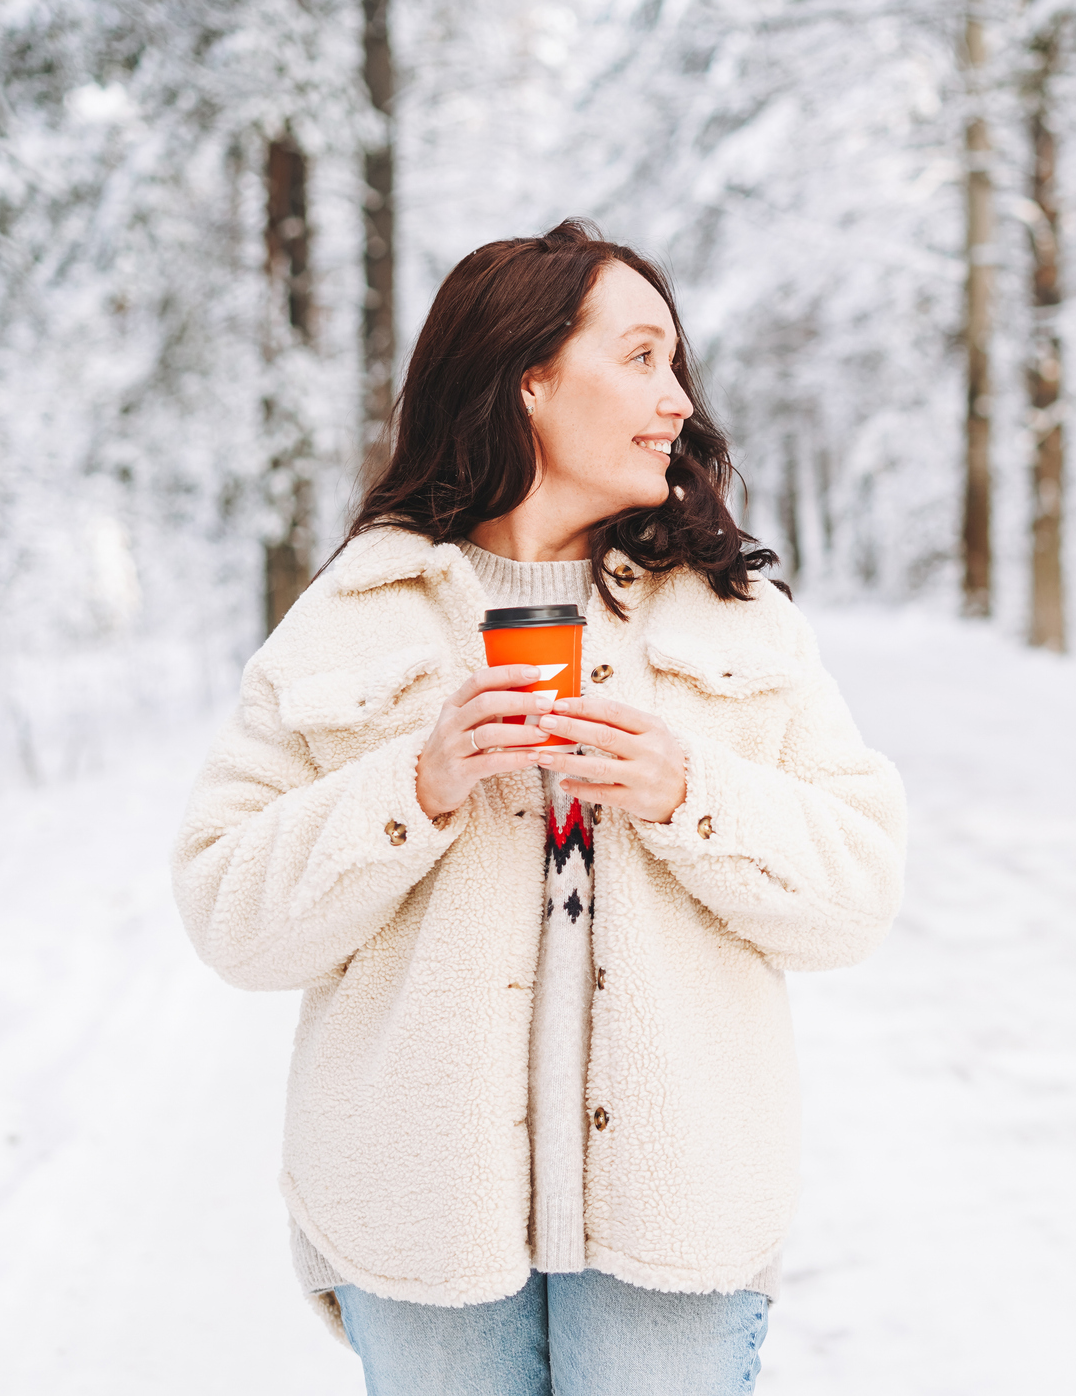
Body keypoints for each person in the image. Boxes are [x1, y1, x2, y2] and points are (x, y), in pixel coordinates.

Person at [171, 219, 906, 1395]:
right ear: (528, 379)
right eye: (641, 357)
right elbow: (227, 912)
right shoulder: (358, 612)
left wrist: (690, 792)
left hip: (680, 1218)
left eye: (676, 364)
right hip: (420, 1222)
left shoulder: (732, 616)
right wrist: (412, 786)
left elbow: (859, 893)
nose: (676, 400)